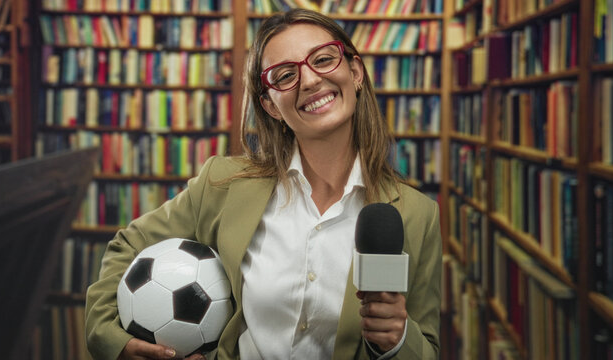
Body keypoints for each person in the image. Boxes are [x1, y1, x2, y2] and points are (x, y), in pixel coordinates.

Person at [86, 8, 441, 360]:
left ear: (355, 72)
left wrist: (396, 340)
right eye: (285, 75)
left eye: (323, 59)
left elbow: (427, 348)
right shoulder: (222, 184)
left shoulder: (417, 215)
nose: (311, 80)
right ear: (270, 106)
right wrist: (111, 340)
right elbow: (128, 245)